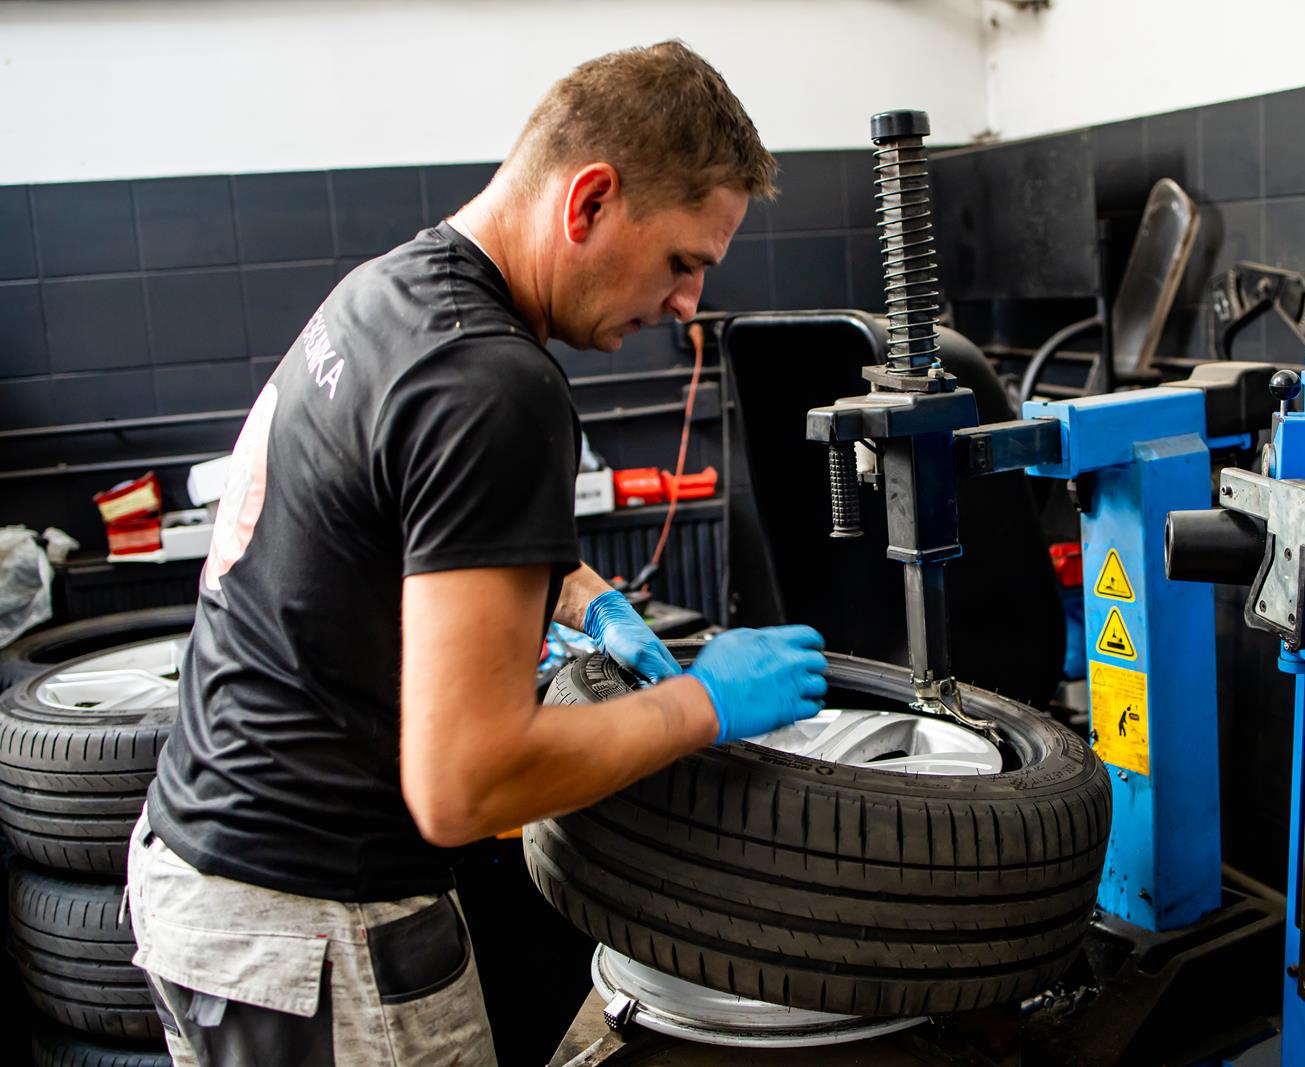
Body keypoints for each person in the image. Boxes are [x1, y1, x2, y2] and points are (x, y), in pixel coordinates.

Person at [126, 41, 828, 1066]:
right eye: (684, 260)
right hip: (312, 927)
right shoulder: (494, 381)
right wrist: (703, 704)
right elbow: (461, 785)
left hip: (200, 874)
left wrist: (584, 598)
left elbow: (402, 521)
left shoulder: (391, 294)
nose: (686, 304)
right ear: (587, 201)